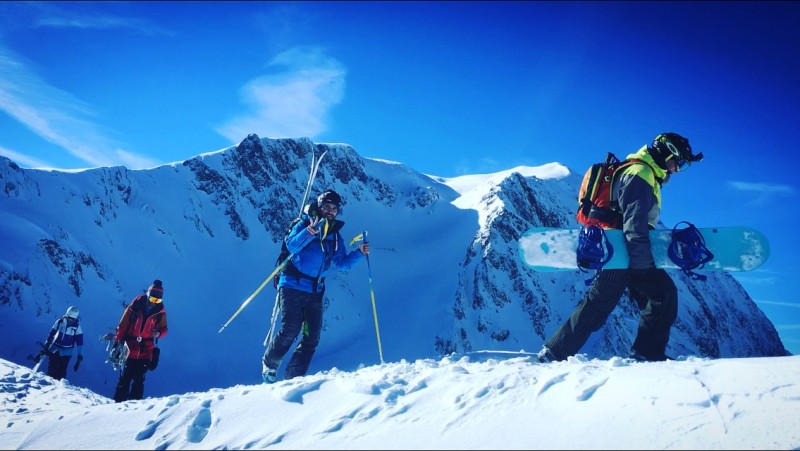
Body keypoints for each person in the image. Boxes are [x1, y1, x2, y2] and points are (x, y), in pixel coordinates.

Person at [539, 132, 704, 363]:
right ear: (668, 153)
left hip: (618, 249)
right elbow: (634, 224)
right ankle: (644, 354)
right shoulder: (641, 174)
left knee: (617, 302)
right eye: (680, 163)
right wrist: (642, 265)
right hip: (625, 250)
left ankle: (557, 352)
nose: (677, 170)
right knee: (654, 296)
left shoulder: (642, 172)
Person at [262, 190, 370, 383]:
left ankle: (293, 379)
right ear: (319, 207)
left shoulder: (334, 236)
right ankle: (270, 364)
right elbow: (292, 246)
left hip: (315, 290)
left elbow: (341, 263)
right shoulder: (303, 223)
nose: (330, 211)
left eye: (334, 208)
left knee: (312, 338)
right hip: (292, 285)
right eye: (327, 207)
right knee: (291, 329)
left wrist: (359, 253)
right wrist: (309, 232)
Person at [113, 279, 168, 402]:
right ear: (148, 294)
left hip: (146, 350)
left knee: (139, 380)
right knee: (124, 378)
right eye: (153, 299)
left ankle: (134, 408)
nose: (155, 302)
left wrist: (159, 333)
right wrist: (118, 341)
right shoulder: (136, 305)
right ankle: (117, 405)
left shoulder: (160, 312)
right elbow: (123, 324)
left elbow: (164, 329)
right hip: (129, 348)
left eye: (158, 300)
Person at [41, 306, 84, 380]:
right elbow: (51, 334)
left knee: (62, 372)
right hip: (55, 349)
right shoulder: (59, 322)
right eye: (69, 317)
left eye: (73, 318)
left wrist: (79, 357)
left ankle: (60, 388)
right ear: (66, 314)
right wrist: (46, 347)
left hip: (67, 352)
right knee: (51, 370)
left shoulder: (77, 327)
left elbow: (80, 342)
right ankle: (49, 384)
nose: (70, 320)